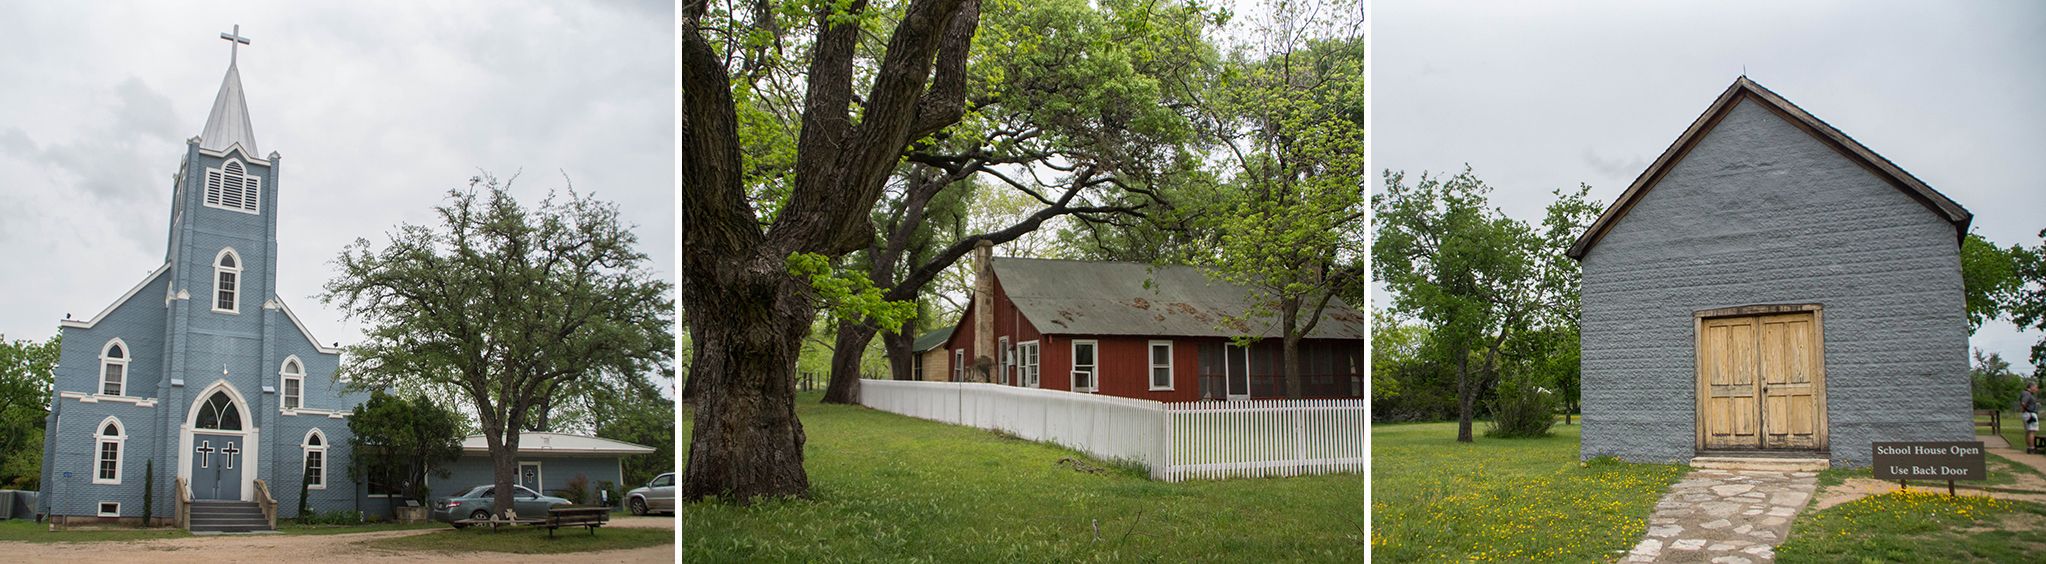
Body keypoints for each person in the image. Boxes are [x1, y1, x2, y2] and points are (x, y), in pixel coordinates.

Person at [2024, 382, 2040, 454]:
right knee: (2032, 431)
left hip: (2028, 413)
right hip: (2031, 414)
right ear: (2031, 387)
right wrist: (2028, 411)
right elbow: (2023, 403)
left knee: (2028, 431)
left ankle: (2029, 448)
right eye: (2035, 387)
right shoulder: (2027, 394)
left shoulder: (2028, 394)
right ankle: (2032, 448)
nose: (2037, 389)